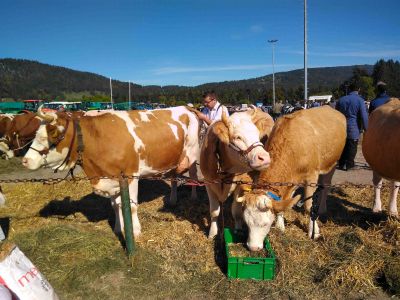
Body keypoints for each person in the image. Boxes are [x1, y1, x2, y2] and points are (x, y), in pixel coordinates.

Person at [336, 82, 368, 171]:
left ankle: (341, 163)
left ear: (349, 89)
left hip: (341, 126)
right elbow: (363, 115)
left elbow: (336, 114)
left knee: (343, 145)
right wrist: (366, 128)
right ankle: (349, 165)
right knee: (352, 146)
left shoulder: (341, 100)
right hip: (353, 127)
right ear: (358, 90)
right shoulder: (360, 100)